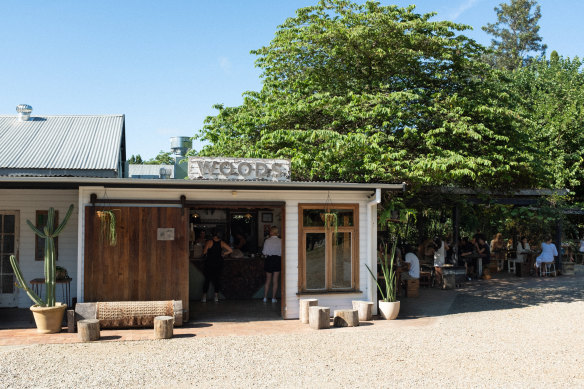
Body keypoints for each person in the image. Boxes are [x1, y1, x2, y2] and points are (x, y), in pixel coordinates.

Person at [201, 231, 232, 303]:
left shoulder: (209, 242)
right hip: (218, 263)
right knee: (217, 279)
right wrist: (224, 254)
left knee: (207, 279)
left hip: (209, 263)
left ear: (213, 236)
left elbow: (204, 252)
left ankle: (204, 297)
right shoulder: (222, 243)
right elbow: (231, 250)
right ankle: (216, 297)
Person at [262, 226, 282, 303]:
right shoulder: (281, 241)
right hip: (277, 260)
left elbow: (264, 252)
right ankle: (273, 298)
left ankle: (265, 297)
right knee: (275, 280)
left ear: (271, 232)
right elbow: (282, 252)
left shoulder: (267, 240)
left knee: (268, 280)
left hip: (269, 260)